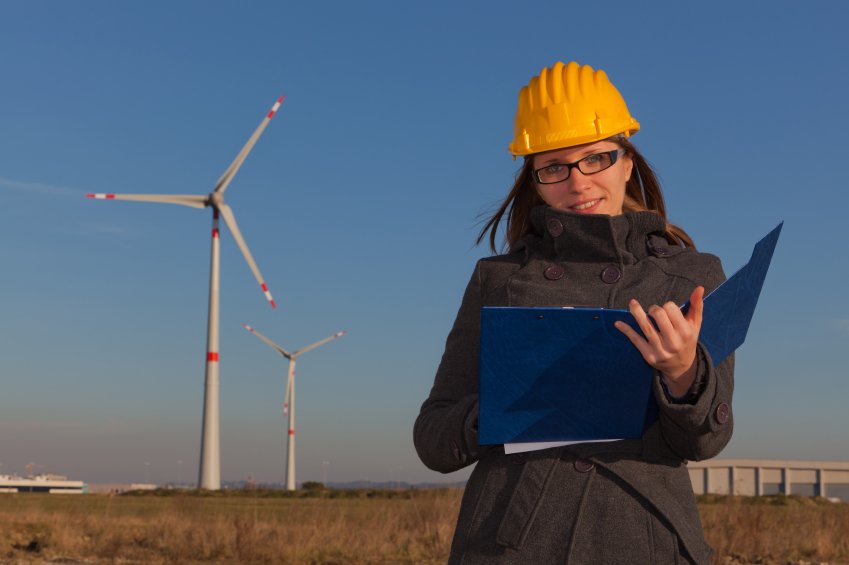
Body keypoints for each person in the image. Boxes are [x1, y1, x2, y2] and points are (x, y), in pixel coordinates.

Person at [413, 61, 733, 564]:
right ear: (535, 179)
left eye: (596, 158)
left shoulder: (692, 277)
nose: (578, 183)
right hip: (512, 543)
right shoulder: (498, 278)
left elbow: (706, 440)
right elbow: (433, 441)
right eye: (554, 167)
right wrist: (509, 409)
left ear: (627, 160)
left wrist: (681, 374)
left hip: (644, 537)